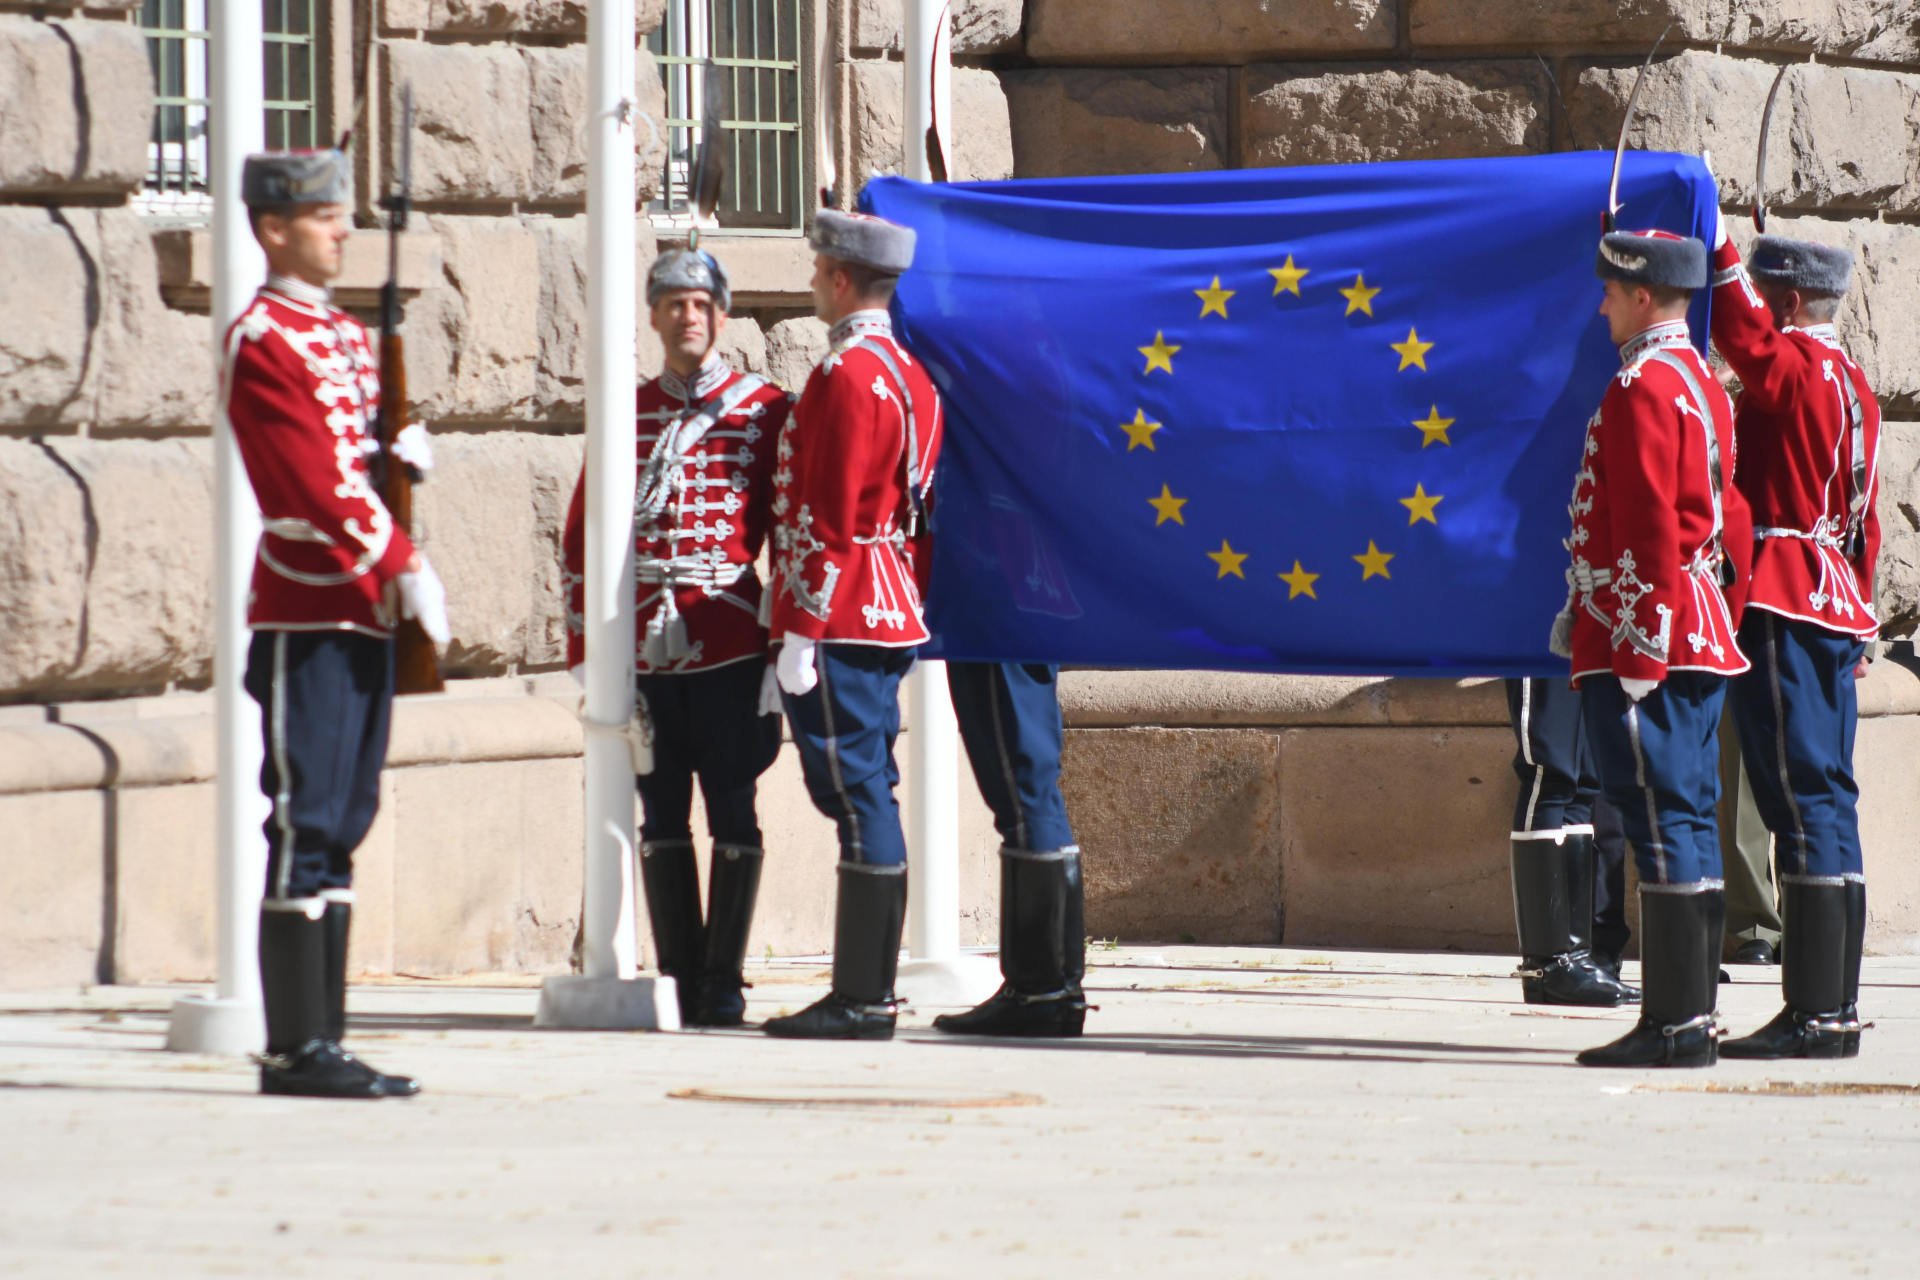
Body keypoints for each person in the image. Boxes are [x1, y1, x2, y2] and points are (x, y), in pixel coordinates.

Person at [225, 150, 449, 1098]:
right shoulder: (263, 339)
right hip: (308, 607)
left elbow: (353, 461)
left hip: (363, 613)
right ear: (274, 228)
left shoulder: (349, 338)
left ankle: (329, 1038)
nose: (342, 230)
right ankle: (292, 1049)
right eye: (323, 216)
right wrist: (401, 557)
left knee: (346, 818)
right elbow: (309, 483)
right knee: (305, 818)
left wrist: (397, 455)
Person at [560, 248, 790, 1028]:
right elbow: (583, 535)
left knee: (733, 805)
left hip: (727, 639)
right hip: (644, 650)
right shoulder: (625, 412)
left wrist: (785, 641)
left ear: (721, 316)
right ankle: (680, 977)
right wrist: (586, 650)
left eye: (701, 305)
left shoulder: (765, 410)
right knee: (660, 813)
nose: (687, 317)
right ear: (654, 317)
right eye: (673, 304)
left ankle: (723, 982)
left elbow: (787, 535)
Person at [1552, 229, 1749, 1069]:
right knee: (1688, 817)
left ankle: (1674, 1023)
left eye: (1608, 290)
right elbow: (1726, 519)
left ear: (1640, 296)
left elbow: (1641, 532)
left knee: (1656, 818)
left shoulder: (1641, 384)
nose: (1600, 304)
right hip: (1700, 625)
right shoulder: (1701, 379)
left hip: (1649, 635)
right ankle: (1692, 1014)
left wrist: (1634, 653)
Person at [761, 211, 942, 1040]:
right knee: (873, 791)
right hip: (891, 599)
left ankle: (863, 996)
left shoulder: (847, 375)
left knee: (859, 796)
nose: (811, 284)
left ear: (839, 279)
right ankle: (868, 991)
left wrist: (798, 624)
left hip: (842, 610)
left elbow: (826, 514)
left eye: (815, 271)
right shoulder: (910, 373)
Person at [1707, 225, 1882, 1060]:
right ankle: (1834, 1004)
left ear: (1785, 303)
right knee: (1829, 798)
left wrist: (1716, 246)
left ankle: (1814, 1011)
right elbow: (1868, 522)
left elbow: (1742, 337)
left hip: (1782, 594)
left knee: (1799, 801)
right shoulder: (1853, 382)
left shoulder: (1800, 371)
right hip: (1834, 597)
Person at [931, 663, 1089, 1038]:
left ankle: (1037, 992)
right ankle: (1058, 989)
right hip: (1023, 621)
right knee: (1037, 800)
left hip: (994, 624)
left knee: (1023, 800)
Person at [1503, 677, 1638, 1007]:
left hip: (1589, 633)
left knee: (1584, 782)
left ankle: (1576, 959)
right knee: (1548, 773)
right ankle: (1546, 966)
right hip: (1541, 635)